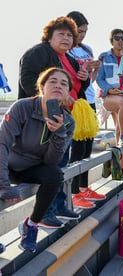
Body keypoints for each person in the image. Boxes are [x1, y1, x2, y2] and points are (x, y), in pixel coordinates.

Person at [18, 16, 89, 227]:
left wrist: (84, 80)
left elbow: (76, 90)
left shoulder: (70, 59)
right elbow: (28, 81)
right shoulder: (39, 52)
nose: (66, 38)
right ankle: (44, 213)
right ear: (49, 36)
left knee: (62, 163)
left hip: (62, 118)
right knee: (50, 164)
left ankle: (59, 204)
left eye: (70, 35)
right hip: (42, 117)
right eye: (61, 34)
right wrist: (52, 100)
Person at [0, 67, 75, 252]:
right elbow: (2, 144)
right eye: (53, 81)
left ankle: (31, 225)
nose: (58, 85)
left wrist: (58, 134)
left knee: (56, 175)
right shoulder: (23, 107)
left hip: (32, 168)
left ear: (67, 92)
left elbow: (51, 161)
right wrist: (3, 185)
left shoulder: (68, 121)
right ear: (41, 87)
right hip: (8, 163)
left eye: (64, 83)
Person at [67, 11, 106, 209]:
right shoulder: (66, 50)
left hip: (89, 99)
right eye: (79, 31)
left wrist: (95, 68)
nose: (81, 35)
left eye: (84, 32)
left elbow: (89, 82)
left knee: (88, 146)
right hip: (75, 102)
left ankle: (84, 188)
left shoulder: (87, 48)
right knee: (77, 148)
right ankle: (74, 193)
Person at [96, 28, 123, 148]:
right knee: (122, 129)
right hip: (111, 95)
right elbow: (99, 79)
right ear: (112, 41)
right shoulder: (104, 57)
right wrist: (109, 90)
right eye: (117, 38)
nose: (120, 41)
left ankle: (120, 164)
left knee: (120, 128)